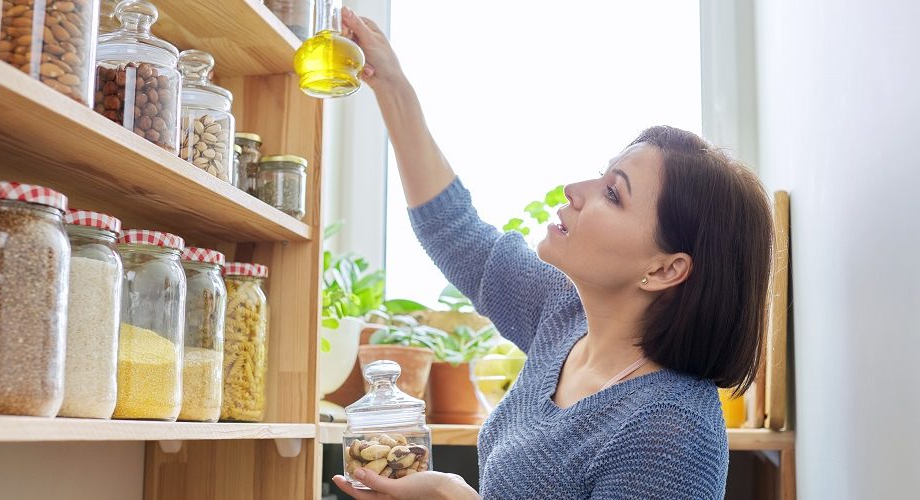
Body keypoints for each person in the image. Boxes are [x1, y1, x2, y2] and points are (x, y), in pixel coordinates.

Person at [331, 7, 774, 500]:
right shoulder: (563, 316)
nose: (573, 190)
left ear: (665, 268)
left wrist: (453, 497)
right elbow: (453, 231)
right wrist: (392, 85)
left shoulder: (673, 430)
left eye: (613, 193)